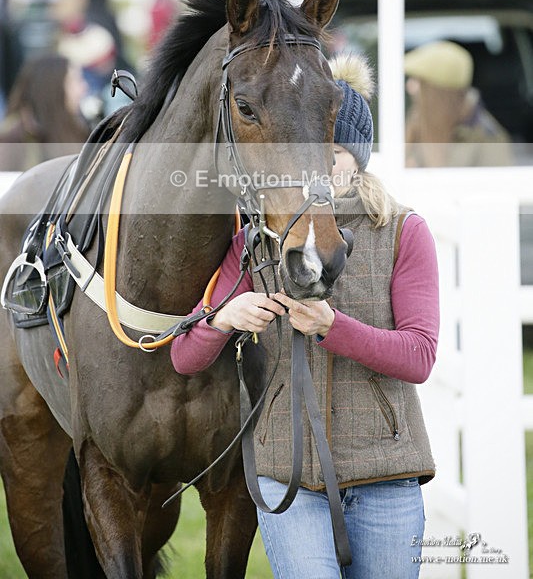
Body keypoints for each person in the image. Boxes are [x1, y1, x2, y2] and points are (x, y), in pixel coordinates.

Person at [171, 53, 439, 579]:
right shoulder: (257, 240)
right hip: (286, 476)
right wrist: (223, 316)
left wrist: (333, 328)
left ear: (357, 156)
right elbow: (184, 356)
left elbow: (420, 357)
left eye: (331, 154)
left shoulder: (405, 232)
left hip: (386, 473)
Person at [404, 39, 513, 167]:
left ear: (441, 92)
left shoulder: (488, 139)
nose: (409, 86)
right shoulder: (417, 121)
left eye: (419, 80)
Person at [0, 53, 89, 172]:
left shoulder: (77, 127)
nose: (83, 87)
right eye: (74, 81)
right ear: (52, 88)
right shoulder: (14, 138)